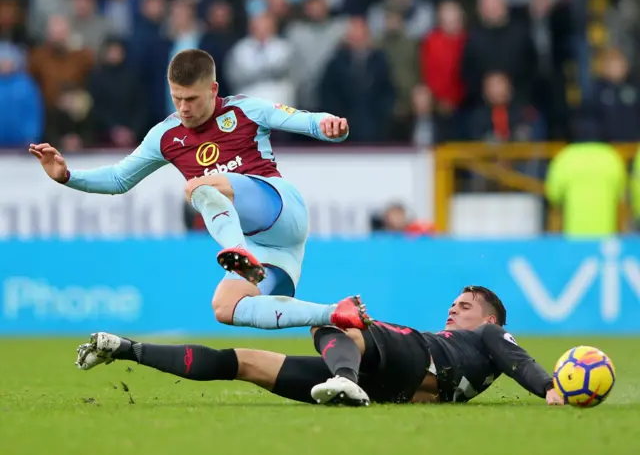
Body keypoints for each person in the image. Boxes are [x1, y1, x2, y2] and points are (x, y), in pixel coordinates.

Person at [28, 48, 365, 332]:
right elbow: (119, 179)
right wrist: (67, 176)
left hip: (280, 208)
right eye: (177, 98)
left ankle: (238, 254)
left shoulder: (245, 109)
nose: (184, 107)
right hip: (271, 250)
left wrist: (330, 127)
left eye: (191, 98)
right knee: (225, 307)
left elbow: (305, 120)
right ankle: (335, 312)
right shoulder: (165, 136)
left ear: (213, 89)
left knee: (199, 186)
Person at [75, 287, 565, 407]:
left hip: (410, 361)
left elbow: (516, 358)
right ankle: (126, 348)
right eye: (454, 303)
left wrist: (549, 388)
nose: (454, 310)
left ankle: (345, 381)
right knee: (243, 363)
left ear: (491, 317)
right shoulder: (466, 348)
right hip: (391, 378)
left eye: (465, 304)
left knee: (333, 319)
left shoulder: (490, 335)